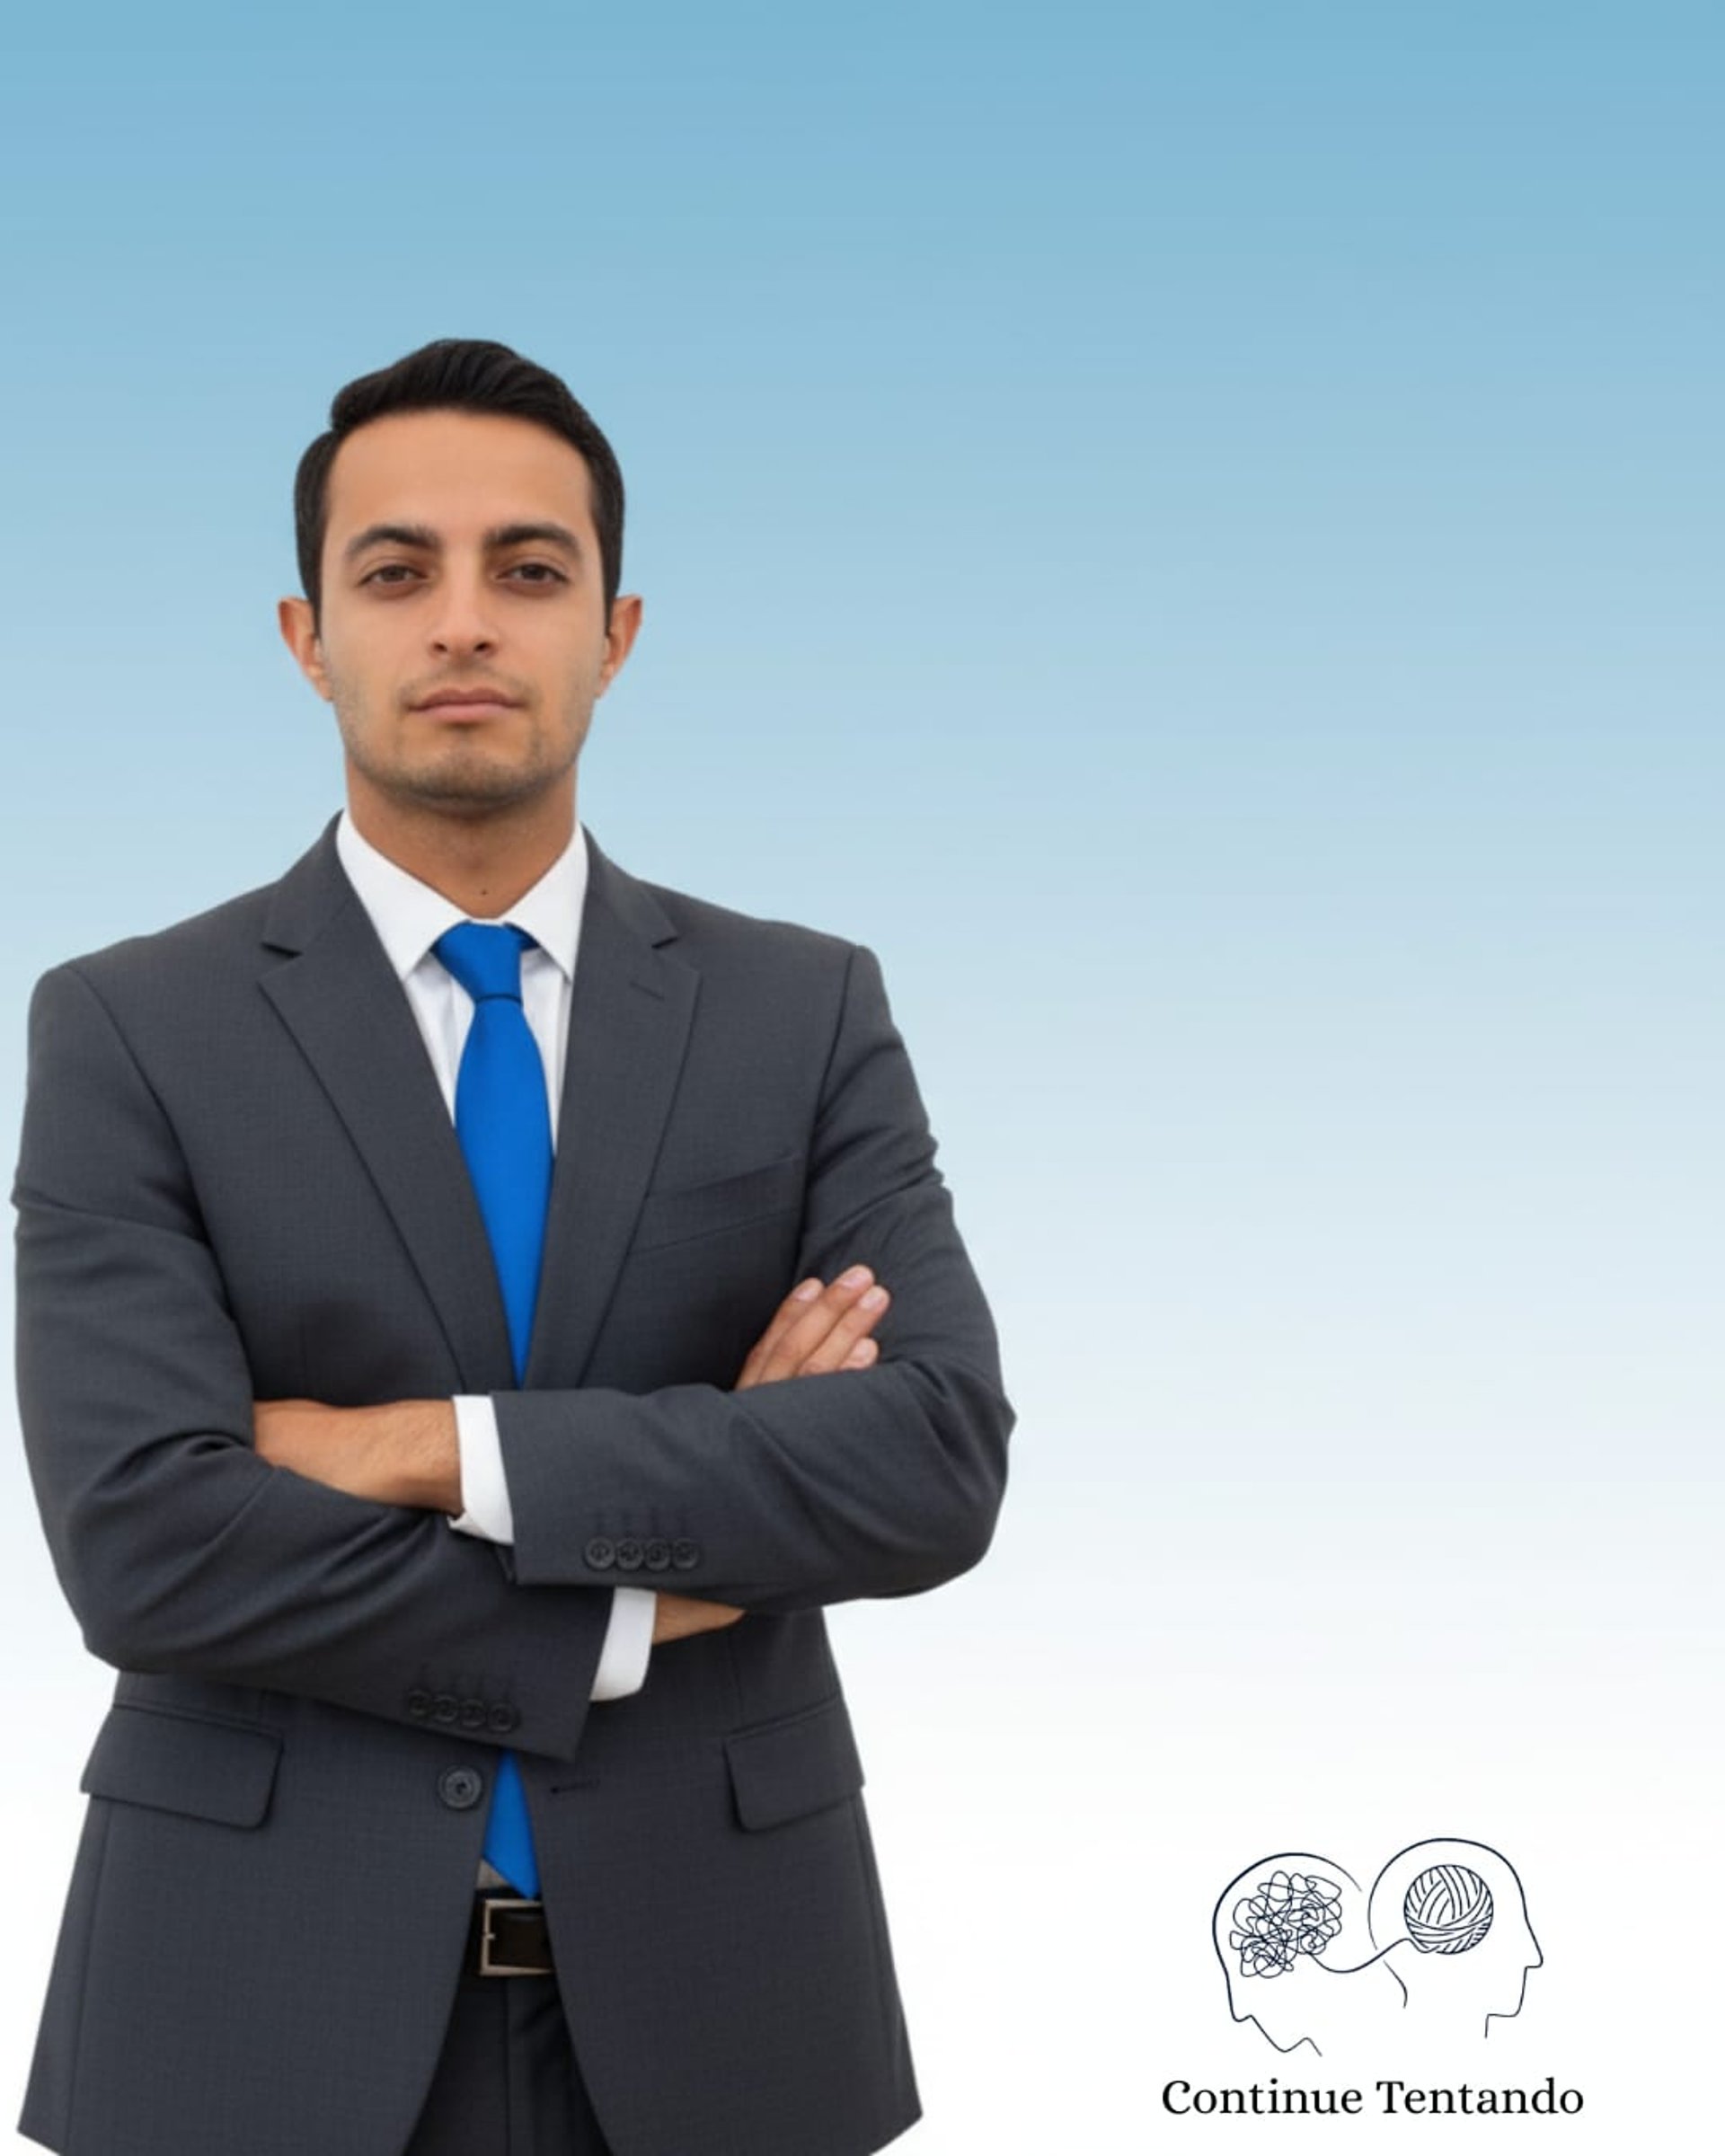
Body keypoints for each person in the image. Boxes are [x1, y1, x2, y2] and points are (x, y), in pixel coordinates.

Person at [13, 337, 1013, 2156]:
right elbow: (147, 1544)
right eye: (397, 573)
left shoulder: (802, 1012)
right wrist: (655, 1577)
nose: (463, 622)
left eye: (528, 571)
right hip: (244, 2008)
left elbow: (929, 1463)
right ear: (308, 636)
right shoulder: (128, 1029)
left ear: (615, 632)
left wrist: (415, 1448)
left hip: (732, 2003)